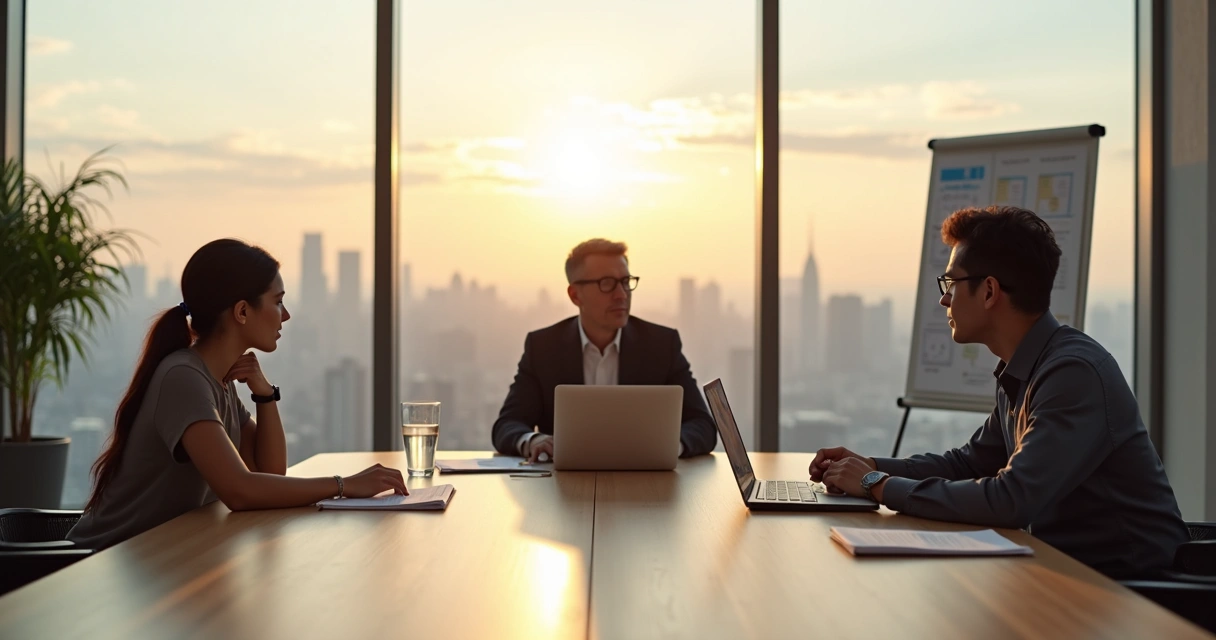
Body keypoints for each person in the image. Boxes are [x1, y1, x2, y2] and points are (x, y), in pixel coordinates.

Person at [811, 205, 1188, 579]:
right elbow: (968, 465)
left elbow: (1012, 500)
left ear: (989, 291)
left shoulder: (1073, 374)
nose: (944, 300)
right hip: (1069, 579)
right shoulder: (1026, 368)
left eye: (951, 285)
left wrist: (876, 485)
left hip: (1135, 595)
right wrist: (870, 467)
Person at [69, 239, 406, 550]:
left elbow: (270, 474)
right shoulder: (183, 378)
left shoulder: (219, 380)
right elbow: (240, 491)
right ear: (242, 311)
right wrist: (344, 485)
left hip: (157, 558)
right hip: (98, 566)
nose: (286, 315)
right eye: (278, 302)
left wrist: (265, 395)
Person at [491, 238, 717, 463]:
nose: (621, 294)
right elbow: (507, 425)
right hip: (561, 486)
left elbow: (702, 425)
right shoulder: (543, 347)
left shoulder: (660, 345)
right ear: (575, 296)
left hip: (647, 484)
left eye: (626, 281)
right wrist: (532, 440)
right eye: (607, 283)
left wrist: (669, 447)